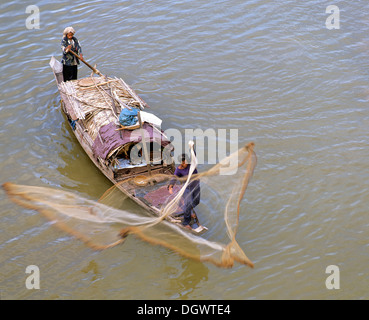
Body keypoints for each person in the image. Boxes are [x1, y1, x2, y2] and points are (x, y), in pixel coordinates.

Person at [168, 154, 201, 229]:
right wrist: (170, 187)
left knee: (196, 202)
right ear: (181, 162)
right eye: (184, 162)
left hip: (196, 186)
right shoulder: (179, 170)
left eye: (186, 162)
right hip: (187, 189)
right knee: (188, 204)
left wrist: (192, 147)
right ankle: (186, 222)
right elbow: (174, 178)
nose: (185, 163)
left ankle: (188, 212)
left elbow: (193, 154)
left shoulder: (191, 165)